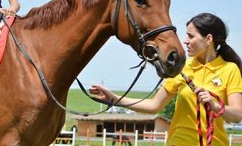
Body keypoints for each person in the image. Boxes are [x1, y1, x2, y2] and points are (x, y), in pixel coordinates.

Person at [90, 13, 242, 146]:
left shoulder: (229, 70)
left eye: (191, 36)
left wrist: (214, 105)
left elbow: (237, 115)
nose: (185, 41)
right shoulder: (182, 69)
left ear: (209, 39)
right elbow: (154, 105)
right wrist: (115, 99)